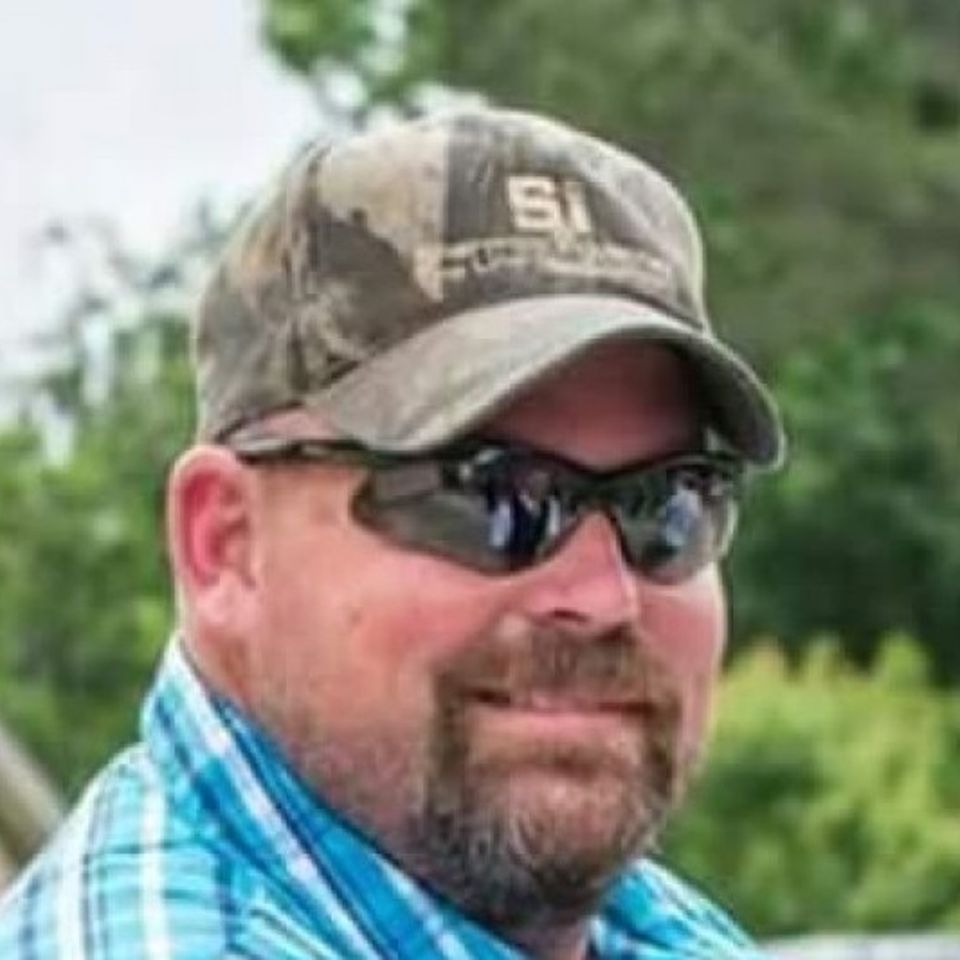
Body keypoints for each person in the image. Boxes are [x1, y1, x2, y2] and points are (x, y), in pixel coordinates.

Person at [0, 107, 785, 959]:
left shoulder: (632, 925)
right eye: (487, 493)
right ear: (226, 546)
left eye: (668, 501)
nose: (603, 596)